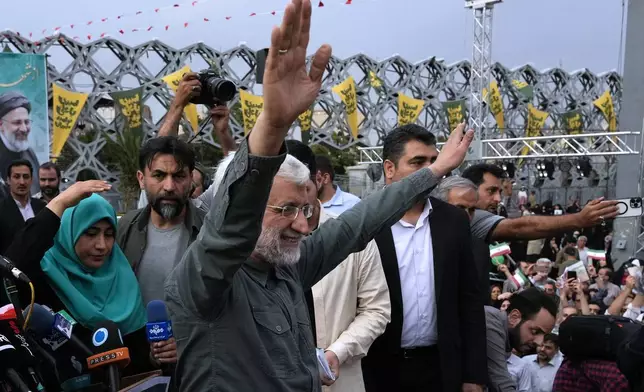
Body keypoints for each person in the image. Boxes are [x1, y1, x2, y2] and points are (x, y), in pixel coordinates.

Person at [163, 2, 472, 390]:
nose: (302, 223)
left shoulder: (288, 267)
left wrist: (434, 172)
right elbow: (231, 231)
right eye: (286, 209)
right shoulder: (205, 280)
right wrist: (273, 124)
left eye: (305, 208)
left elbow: (357, 225)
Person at [361, 125, 486, 392]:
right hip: (379, 368)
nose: (431, 170)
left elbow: (470, 301)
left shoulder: (452, 220)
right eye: (418, 162)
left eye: (434, 161)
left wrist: (474, 374)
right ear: (389, 169)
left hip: (441, 368)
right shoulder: (365, 222)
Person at [4, 181, 158, 375]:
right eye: (90, 233)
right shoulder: (42, 276)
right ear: (69, 232)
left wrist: (154, 358)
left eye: (109, 234)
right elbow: (11, 268)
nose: (102, 245)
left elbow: (139, 358)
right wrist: (59, 204)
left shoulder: (122, 278)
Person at [461, 163, 619, 244]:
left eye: (500, 192)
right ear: (469, 189)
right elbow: (520, 227)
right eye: (491, 191)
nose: (498, 199)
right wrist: (579, 219)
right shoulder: (467, 218)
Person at [485, 288, 558, 392]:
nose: (539, 342)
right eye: (535, 331)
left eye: (544, 335)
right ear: (514, 317)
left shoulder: (506, 342)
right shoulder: (490, 322)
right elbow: (501, 381)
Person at [0, 159, 46, 253]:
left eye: (26, 177)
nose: (22, 182)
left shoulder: (42, 207)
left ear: (31, 180)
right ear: (8, 180)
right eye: (16, 177)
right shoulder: (1, 209)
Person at [0, 92, 40, 195]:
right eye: (17, 123)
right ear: (1, 125)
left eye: (26, 122)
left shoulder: (29, 153)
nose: (23, 129)